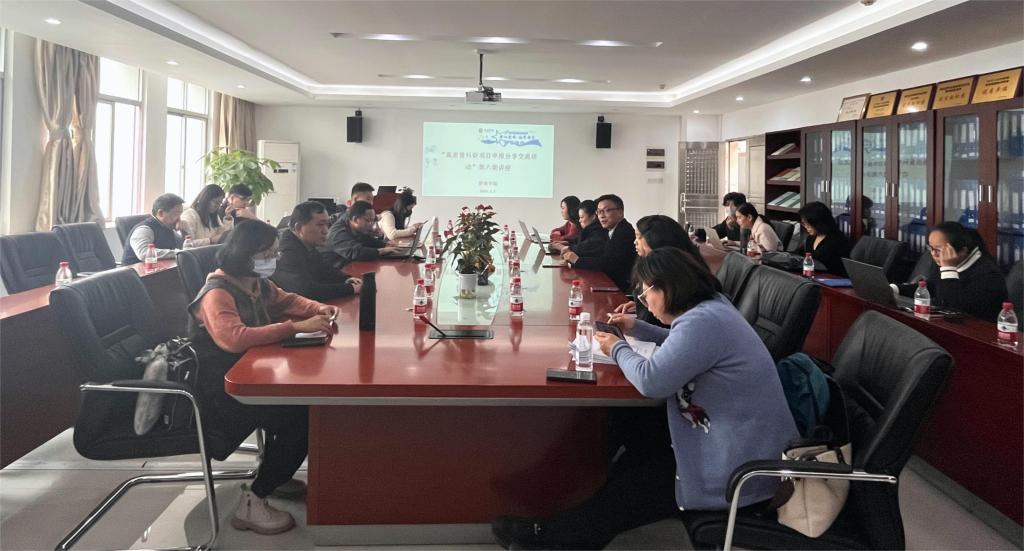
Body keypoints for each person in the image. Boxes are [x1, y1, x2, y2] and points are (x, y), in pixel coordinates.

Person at [493, 248, 798, 549]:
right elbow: (683, 345)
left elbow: (652, 381)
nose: (645, 303)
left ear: (667, 287)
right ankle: (571, 532)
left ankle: (550, 534)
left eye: (645, 293)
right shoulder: (712, 308)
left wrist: (617, 348)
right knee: (634, 441)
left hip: (738, 469)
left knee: (639, 480)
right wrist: (638, 327)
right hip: (724, 440)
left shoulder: (703, 322)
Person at [187, 220, 338, 535]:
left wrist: (319, 309)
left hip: (251, 377)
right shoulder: (217, 293)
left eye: (274, 253)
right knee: (302, 418)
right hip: (221, 390)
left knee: (298, 406)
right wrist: (295, 327)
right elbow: (234, 339)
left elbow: (288, 301)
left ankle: (276, 473)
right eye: (266, 254)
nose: (273, 259)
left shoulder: (256, 282)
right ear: (244, 254)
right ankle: (254, 499)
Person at [614, 215, 713, 327]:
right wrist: (641, 304)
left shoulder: (675, 271)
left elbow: (674, 312)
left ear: (655, 238)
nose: (635, 242)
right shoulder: (647, 262)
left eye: (639, 237)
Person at [895, 222, 1007, 319]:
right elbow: (932, 287)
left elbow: (953, 308)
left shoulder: (988, 275)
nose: (933, 254)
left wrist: (948, 269)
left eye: (938, 250)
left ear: (963, 251)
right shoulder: (947, 262)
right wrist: (895, 289)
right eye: (931, 248)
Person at [272, 201, 364, 301]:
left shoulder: (305, 243)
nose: (326, 231)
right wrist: (351, 288)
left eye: (327, 224)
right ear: (299, 227)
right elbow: (305, 291)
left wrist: (346, 278)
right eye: (320, 225)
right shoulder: (286, 251)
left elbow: (324, 269)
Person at [560, 194, 637, 291]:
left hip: (618, 288)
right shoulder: (613, 230)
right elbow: (602, 258)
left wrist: (577, 260)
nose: (601, 216)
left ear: (620, 212)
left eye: (607, 210)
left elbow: (608, 264)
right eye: (599, 212)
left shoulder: (624, 233)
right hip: (609, 283)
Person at [325, 201, 399, 266]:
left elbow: (364, 239)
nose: (371, 225)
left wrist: (384, 244)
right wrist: (382, 251)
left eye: (372, 220)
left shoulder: (351, 222)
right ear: (355, 219)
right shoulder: (338, 233)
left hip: (350, 264)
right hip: (337, 269)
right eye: (368, 221)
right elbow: (355, 252)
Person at [122, 193, 185, 264]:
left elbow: (184, 248)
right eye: (176, 214)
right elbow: (144, 253)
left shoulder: (168, 227)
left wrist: (183, 231)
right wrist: (177, 253)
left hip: (160, 268)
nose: (179, 219)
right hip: (136, 270)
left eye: (180, 214)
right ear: (160, 213)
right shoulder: (145, 229)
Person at [797, 201, 851, 276]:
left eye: (808, 223)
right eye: (803, 223)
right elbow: (798, 255)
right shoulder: (810, 238)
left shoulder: (837, 240)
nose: (806, 226)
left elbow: (820, 262)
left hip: (832, 279)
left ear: (818, 221)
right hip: (813, 277)